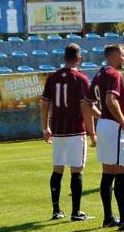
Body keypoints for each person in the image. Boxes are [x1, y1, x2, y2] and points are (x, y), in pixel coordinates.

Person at [86, 44, 124, 231]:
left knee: (108, 173)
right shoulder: (114, 74)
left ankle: (108, 218)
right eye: (123, 55)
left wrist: (101, 116)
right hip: (114, 127)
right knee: (123, 172)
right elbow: (110, 100)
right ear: (114, 56)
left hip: (104, 125)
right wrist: (122, 120)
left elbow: (88, 104)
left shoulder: (98, 74)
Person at [40, 43, 98, 221]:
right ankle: (76, 212)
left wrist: (45, 127)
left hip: (57, 130)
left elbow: (44, 104)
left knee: (57, 169)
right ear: (79, 58)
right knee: (76, 170)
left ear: (64, 58)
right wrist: (92, 132)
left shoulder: (52, 78)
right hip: (75, 130)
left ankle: (56, 210)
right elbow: (85, 106)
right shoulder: (80, 78)